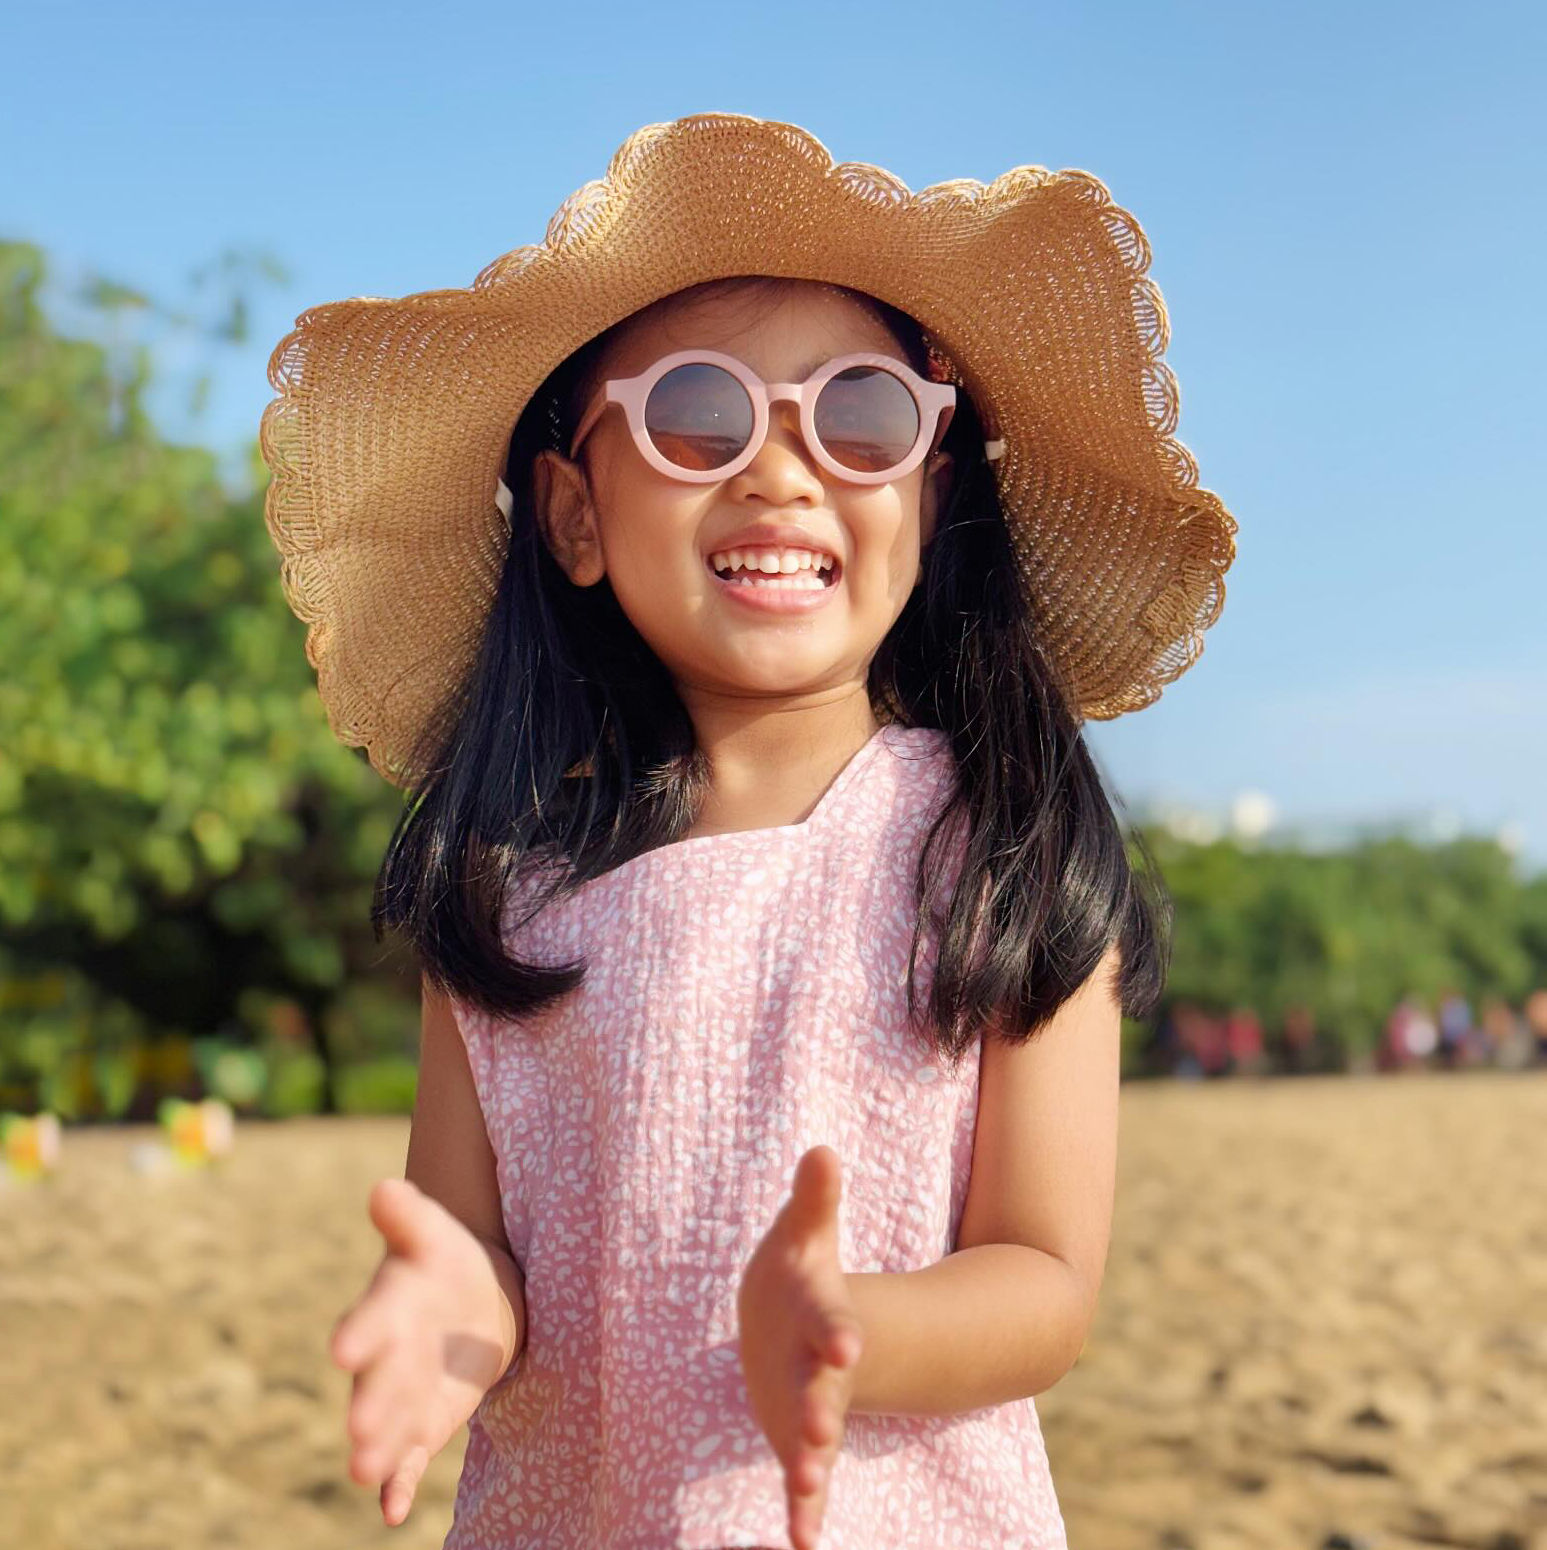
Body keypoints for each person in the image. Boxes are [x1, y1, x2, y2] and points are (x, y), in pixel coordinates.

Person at [260, 112, 1238, 1550]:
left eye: (859, 417)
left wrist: (856, 1328)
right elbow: (474, 1241)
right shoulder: (509, 902)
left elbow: (1042, 1275)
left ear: (933, 487)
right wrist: (447, 1303)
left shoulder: (1002, 847)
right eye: (699, 415)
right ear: (574, 513)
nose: (783, 471)